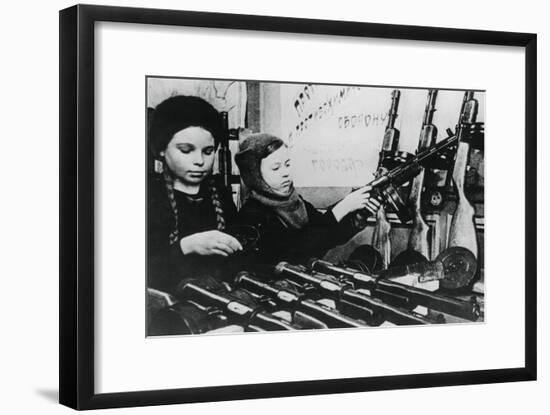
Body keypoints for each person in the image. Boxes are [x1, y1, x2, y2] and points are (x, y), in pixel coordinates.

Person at [234, 133, 380, 269]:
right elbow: (301, 250)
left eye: (288, 164)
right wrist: (342, 208)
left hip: (305, 281)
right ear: (255, 175)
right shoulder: (252, 215)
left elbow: (328, 235)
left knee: (368, 254)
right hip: (280, 289)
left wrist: (358, 215)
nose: (286, 173)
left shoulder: (296, 202)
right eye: (276, 168)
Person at [147, 95, 244, 295]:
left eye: (208, 151)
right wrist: (186, 246)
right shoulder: (148, 195)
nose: (199, 161)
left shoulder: (220, 193)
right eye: (186, 150)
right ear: (162, 149)